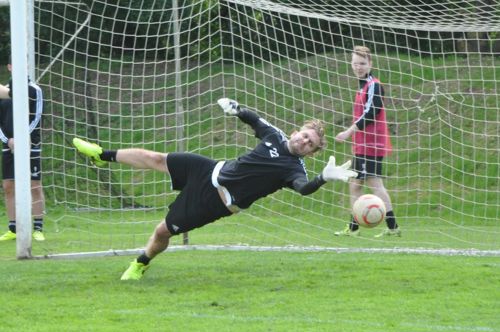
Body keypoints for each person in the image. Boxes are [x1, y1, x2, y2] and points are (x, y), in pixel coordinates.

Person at [73, 98, 358, 280]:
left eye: (310, 145)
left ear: (310, 153)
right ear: (297, 131)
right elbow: (255, 120)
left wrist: (324, 177)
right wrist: (237, 110)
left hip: (216, 202)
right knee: (156, 158)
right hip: (209, 170)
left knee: (163, 231)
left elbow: (304, 188)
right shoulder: (275, 135)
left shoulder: (294, 169)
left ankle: (141, 263)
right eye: (305, 136)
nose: (305, 142)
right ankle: (102, 155)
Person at [334, 46, 400, 238]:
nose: (358, 67)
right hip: (363, 144)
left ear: (370, 64)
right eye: (355, 63)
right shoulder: (362, 86)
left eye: (362, 63)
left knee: (375, 184)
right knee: (355, 185)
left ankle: (392, 226)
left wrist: (348, 132)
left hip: (371, 144)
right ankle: (354, 228)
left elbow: (370, 113)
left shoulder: (374, 86)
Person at [0, 60, 46, 242]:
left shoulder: (35, 90)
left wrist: (22, 136)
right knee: (8, 187)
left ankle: (38, 228)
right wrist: (8, 140)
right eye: (15, 64)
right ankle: (13, 228)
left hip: (30, 144)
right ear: (9, 67)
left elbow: (37, 117)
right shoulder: (3, 92)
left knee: (34, 185)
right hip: (9, 144)